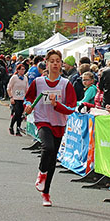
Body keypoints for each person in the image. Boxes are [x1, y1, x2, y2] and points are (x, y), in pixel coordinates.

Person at [24, 50, 77, 206]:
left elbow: (71, 107)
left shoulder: (66, 84)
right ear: (46, 63)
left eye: (58, 61)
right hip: (42, 121)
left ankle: (46, 193)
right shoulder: (38, 82)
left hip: (59, 123)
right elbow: (29, 98)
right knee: (47, 147)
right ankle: (41, 173)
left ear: (61, 64)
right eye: (52, 61)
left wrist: (57, 105)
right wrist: (28, 106)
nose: (55, 63)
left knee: (52, 159)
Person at [7, 62, 29, 136]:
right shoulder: (14, 78)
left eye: (24, 69)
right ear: (18, 70)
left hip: (22, 99)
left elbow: (26, 89)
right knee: (17, 114)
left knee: (20, 115)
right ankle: (11, 126)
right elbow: (9, 88)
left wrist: (27, 98)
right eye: (22, 69)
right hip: (15, 98)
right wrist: (11, 97)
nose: (23, 71)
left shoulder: (25, 78)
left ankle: (18, 129)